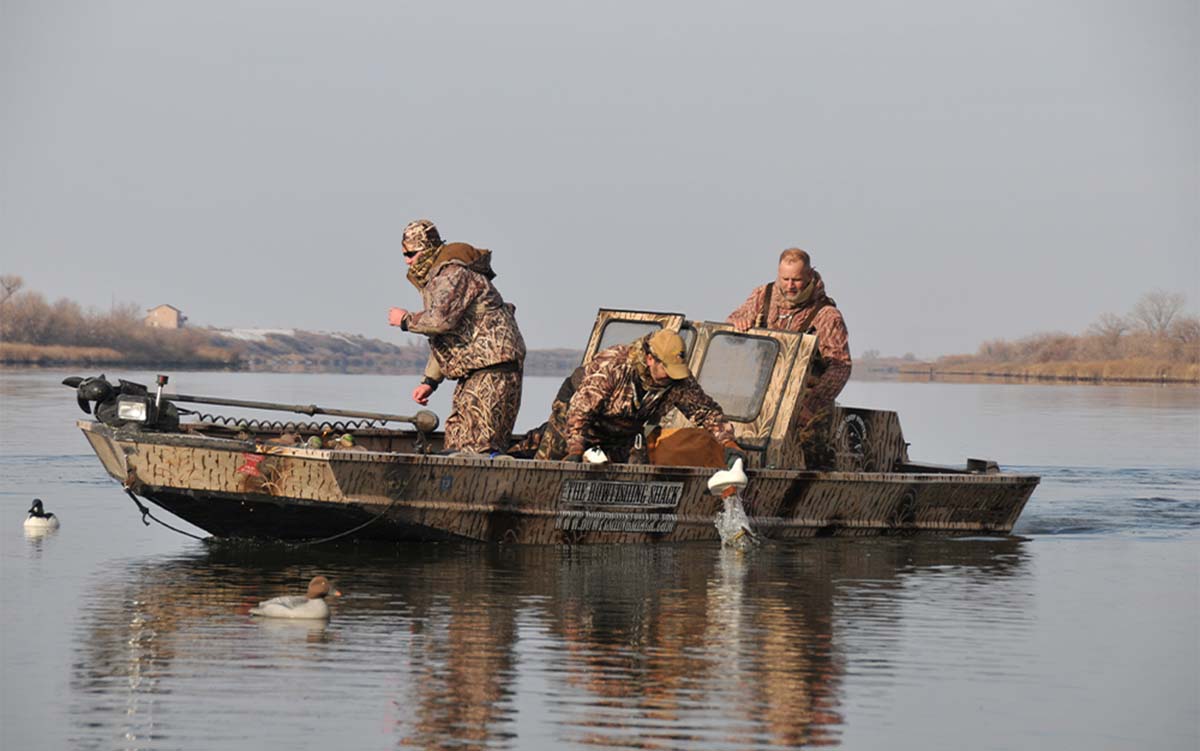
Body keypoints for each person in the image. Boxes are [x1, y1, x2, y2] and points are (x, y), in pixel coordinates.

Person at [388, 219, 526, 454]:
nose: (407, 260)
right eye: (404, 254)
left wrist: (405, 320)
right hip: (475, 371)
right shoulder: (439, 278)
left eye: (411, 253)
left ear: (428, 250)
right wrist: (430, 381)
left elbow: (440, 321)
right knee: (457, 439)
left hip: (493, 369)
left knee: (479, 447)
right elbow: (449, 335)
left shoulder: (452, 274)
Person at [531, 329, 742, 465]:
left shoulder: (679, 380)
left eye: (676, 369)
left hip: (623, 431)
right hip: (575, 418)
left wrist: (729, 444)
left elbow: (706, 412)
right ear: (650, 359)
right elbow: (580, 411)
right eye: (667, 368)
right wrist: (576, 448)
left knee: (635, 471)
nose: (672, 375)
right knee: (549, 466)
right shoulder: (615, 365)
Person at [727, 248, 851, 468]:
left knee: (812, 445)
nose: (790, 286)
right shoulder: (763, 295)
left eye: (797, 280)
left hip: (807, 397)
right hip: (762, 394)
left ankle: (814, 491)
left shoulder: (827, 315)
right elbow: (734, 318)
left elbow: (840, 368)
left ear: (810, 276)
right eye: (785, 279)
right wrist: (738, 322)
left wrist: (811, 405)